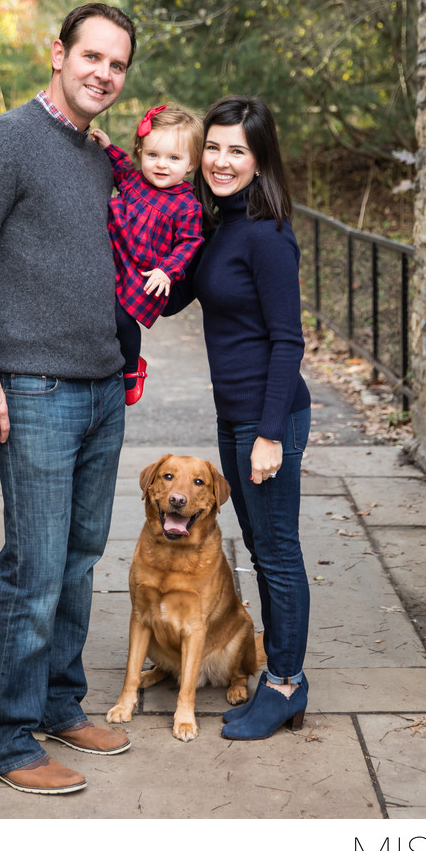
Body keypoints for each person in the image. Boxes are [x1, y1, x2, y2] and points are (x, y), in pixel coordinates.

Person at [0, 2, 137, 795]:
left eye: (116, 65)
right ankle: (3, 740)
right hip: (35, 388)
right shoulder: (3, 141)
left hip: (100, 386)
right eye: (91, 57)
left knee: (78, 561)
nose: (102, 74)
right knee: (34, 565)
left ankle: (57, 702)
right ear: (57, 53)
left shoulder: (95, 157)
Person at [165, 94, 312, 740]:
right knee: (259, 546)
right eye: (214, 148)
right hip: (235, 418)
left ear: (260, 159)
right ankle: (280, 677)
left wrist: (269, 434)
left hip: (266, 420)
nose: (221, 161)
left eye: (237, 151)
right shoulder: (218, 223)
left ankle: (283, 683)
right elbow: (176, 298)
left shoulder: (268, 234)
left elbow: (288, 340)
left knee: (276, 553)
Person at [90, 104, 203, 403]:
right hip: (115, 256)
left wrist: (168, 270)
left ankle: (131, 367)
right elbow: (121, 167)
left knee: (124, 319)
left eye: (174, 158)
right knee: (102, 310)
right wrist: (107, 147)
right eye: (153, 155)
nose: (161, 165)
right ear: (141, 152)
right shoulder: (134, 180)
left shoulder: (187, 205)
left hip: (144, 272)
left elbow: (189, 242)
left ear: (191, 164)